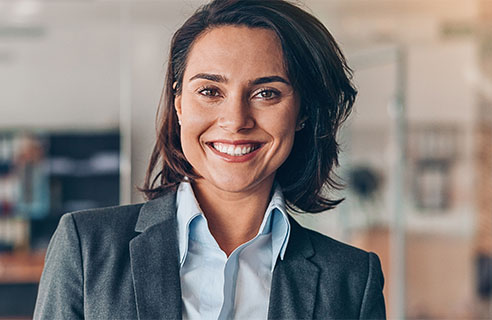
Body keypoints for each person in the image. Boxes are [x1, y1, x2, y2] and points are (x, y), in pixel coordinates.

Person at [34, 0, 385, 319]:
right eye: (209, 91)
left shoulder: (351, 280)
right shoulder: (86, 248)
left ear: (302, 112)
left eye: (266, 93)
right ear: (180, 104)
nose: (235, 120)